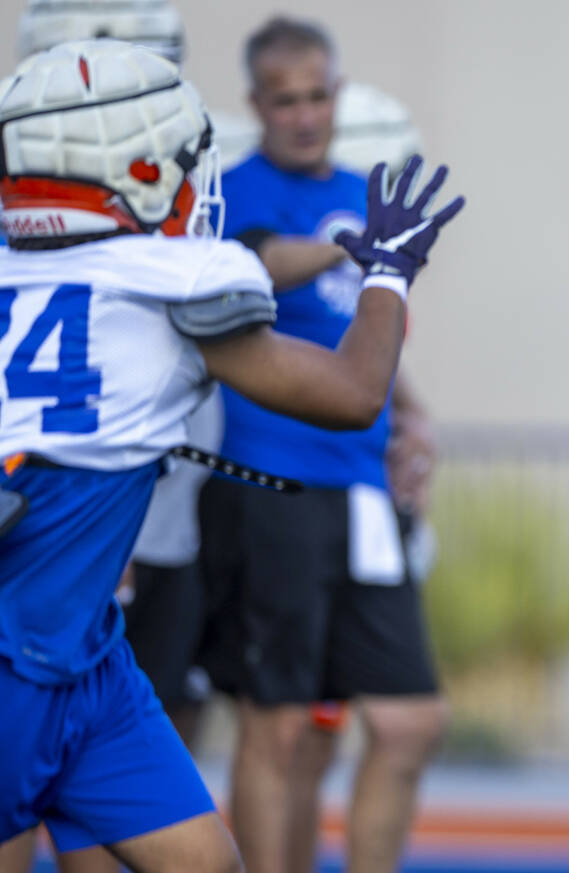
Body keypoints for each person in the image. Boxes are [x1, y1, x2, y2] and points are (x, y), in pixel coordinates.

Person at [0, 36, 463, 873]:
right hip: (19, 654)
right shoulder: (168, 280)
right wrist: (388, 272)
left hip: (89, 657)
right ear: (138, 169)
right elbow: (355, 391)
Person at [195, 16, 449, 873]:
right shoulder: (233, 190)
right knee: (279, 727)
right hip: (272, 485)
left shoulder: (358, 188)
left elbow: (365, 331)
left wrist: (413, 413)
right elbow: (256, 264)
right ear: (257, 105)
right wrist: (355, 247)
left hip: (365, 493)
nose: (304, 113)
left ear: (337, 95)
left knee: (410, 720)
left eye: (317, 95)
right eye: (285, 99)